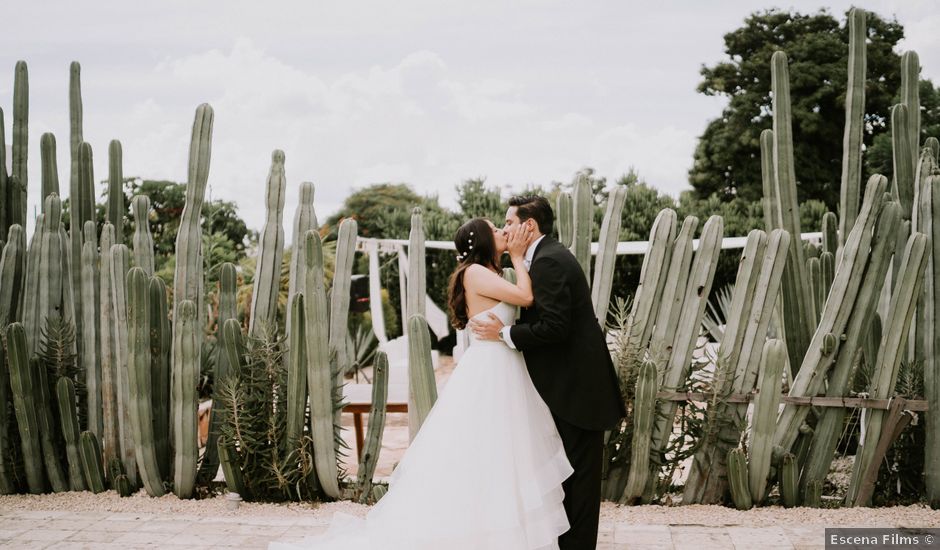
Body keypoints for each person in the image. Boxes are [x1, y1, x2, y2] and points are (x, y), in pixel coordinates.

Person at [271, 217, 574, 550]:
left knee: (506, 451)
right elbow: (526, 297)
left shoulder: (492, 273)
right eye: (496, 229)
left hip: (506, 367)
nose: (504, 231)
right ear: (485, 241)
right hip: (490, 371)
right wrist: (518, 255)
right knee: (488, 449)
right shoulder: (475, 273)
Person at [469, 194, 625, 550]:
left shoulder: (549, 262)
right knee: (570, 478)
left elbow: (556, 326)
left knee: (579, 483)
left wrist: (504, 333)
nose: (504, 228)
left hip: (577, 389)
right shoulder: (543, 258)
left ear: (529, 225)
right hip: (569, 386)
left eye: (508, 222)